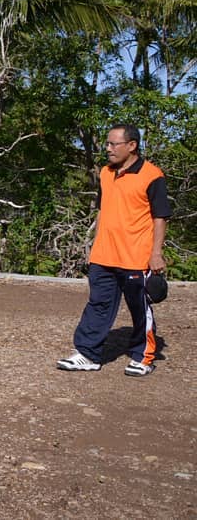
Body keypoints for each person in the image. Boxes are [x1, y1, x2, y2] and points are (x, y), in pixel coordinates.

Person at [57, 123, 171, 377]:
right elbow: (102, 210)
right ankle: (88, 354)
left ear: (132, 146)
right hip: (104, 255)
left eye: (113, 144)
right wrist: (95, 244)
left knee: (139, 307)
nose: (108, 149)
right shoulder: (106, 173)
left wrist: (156, 253)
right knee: (98, 304)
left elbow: (160, 217)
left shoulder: (152, 175)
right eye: (107, 144)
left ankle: (143, 356)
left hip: (135, 256)